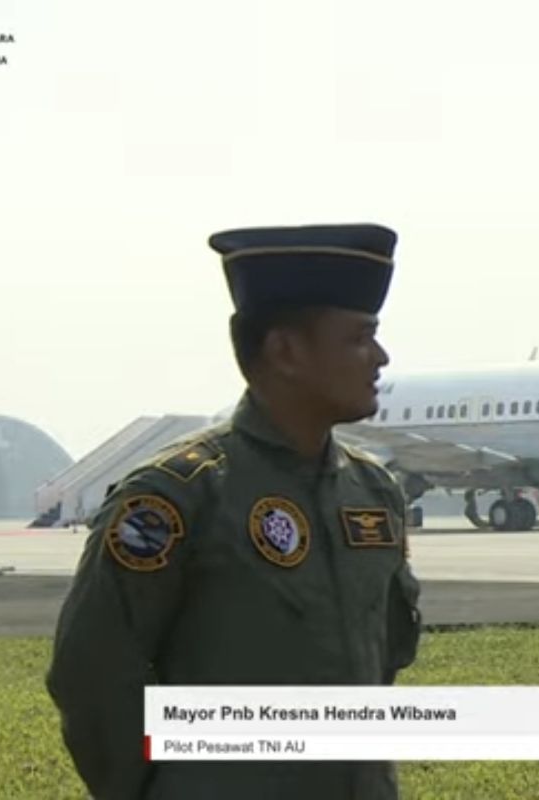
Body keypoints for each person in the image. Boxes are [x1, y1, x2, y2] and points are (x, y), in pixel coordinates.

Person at [46, 224, 422, 800]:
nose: (380, 357)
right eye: (358, 338)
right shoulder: (178, 497)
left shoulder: (372, 491)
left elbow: (382, 659)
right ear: (285, 351)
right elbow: (94, 675)